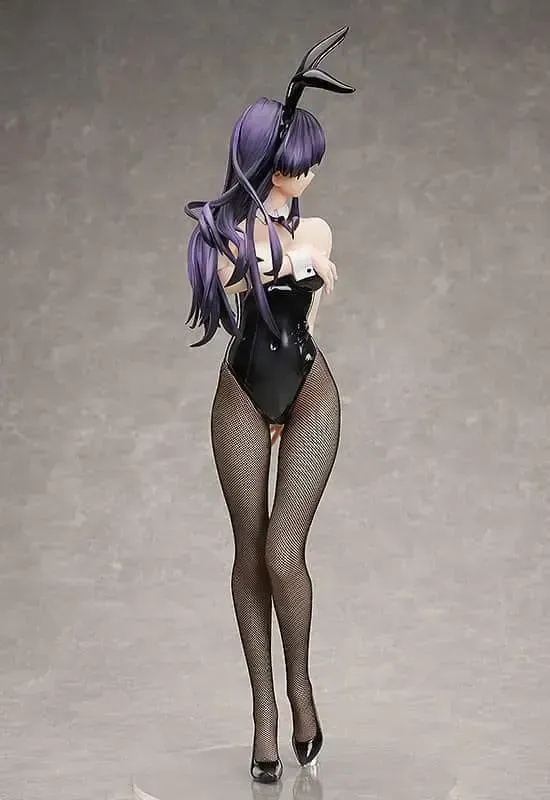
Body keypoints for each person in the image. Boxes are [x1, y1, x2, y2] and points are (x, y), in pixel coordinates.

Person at [185, 27, 355, 784]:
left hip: (308, 386)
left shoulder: (316, 228)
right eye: (294, 162)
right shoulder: (227, 236)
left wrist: (297, 256)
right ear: (262, 162)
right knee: (249, 551)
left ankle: (301, 689)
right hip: (241, 393)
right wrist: (288, 257)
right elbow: (230, 275)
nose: (307, 174)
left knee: (286, 553)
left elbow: (308, 312)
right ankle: (262, 713)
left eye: (312, 162)